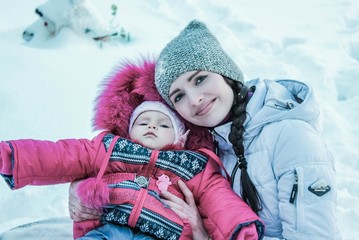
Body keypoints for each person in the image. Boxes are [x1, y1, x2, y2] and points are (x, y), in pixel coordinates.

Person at [69, 19, 342, 239]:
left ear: (226, 73)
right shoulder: (213, 143)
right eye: (178, 96)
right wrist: (86, 186)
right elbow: (138, 164)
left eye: (200, 79)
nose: (195, 99)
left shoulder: (290, 137)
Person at [0, 100, 264, 240]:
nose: (152, 127)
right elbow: (62, 155)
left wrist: (239, 228)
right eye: (144, 122)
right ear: (128, 129)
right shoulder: (109, 148)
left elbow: (218, 198)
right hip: (107, 228)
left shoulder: (193, 164)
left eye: (163, 125)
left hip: (162, 233)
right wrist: (14, 157)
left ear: (180, 138)